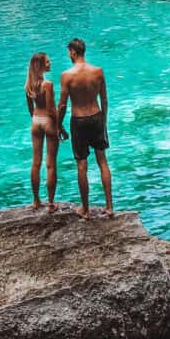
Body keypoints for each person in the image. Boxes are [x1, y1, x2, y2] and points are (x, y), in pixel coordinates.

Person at [57, 37, 113, 219]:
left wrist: (58, 125)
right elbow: (104, 99)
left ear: (73, 52)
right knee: (102, 162)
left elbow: (63, 105)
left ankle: (86, 210)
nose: (68, 55)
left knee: (82, 165)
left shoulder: (67, 75)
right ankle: (110, 206)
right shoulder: (98, 71)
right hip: (96, 116)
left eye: (69, 52)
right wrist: (103, 120)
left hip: (79, 120)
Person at [25, 52, 60, 211]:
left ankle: (36, 201)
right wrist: (60, 127)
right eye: (47, 61)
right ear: (40, 65)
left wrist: (36, 118)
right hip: (47, 121)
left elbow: (30, 110)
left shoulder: (28, 85)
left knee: (35, 162)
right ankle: (51, 203)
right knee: (50, 164)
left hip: (36, 121)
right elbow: (52, 109)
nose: (50, 63)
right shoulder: (48, 84)